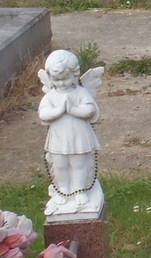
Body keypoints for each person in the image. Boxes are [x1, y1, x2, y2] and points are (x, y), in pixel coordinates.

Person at [39, 50, 105, 216]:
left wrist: (73, 109)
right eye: (56, 80)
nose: (61, 83)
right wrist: (58, 111)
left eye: (65, 78)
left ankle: (79, 190)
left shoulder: (80, 92)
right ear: (50, 78)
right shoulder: (51, 96)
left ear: (75, 76)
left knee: (79, 163)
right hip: (59, 138)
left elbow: (90, 110)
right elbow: (43, 114)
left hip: (78, 137)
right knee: (60, 164)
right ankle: (63, 189)